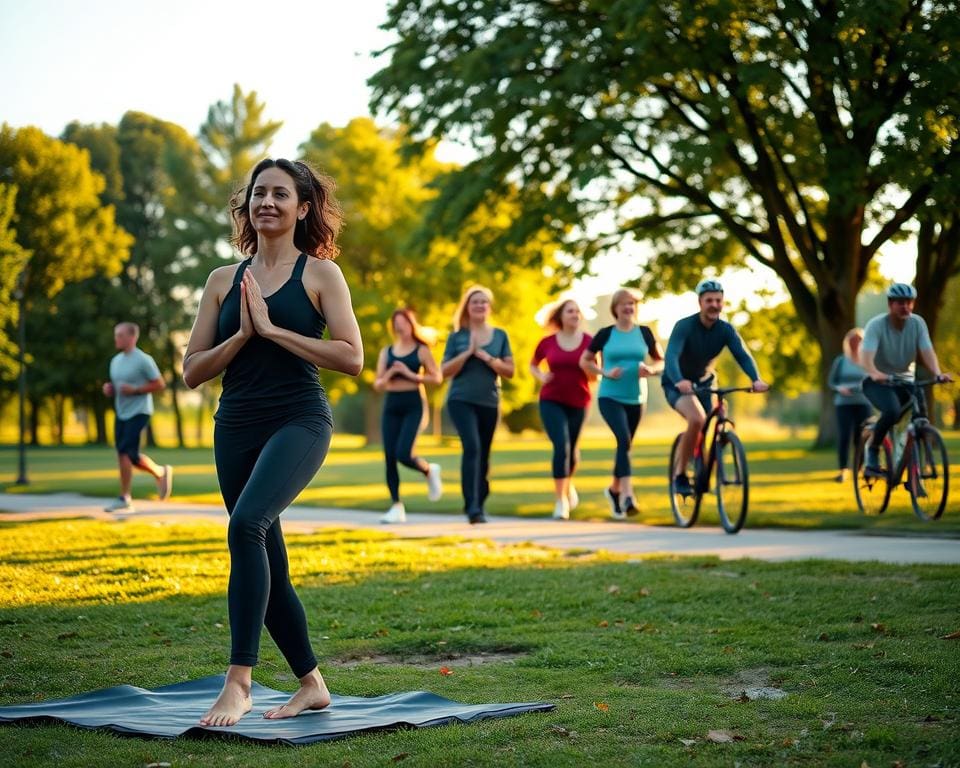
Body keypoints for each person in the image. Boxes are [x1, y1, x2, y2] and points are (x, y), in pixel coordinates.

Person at [182, 158, 363, 728]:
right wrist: (242, 335)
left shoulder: (321, 275)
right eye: (259, 193)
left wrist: (274, 330)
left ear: (302, 208)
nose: (267, 202)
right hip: (236, 424)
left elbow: (352, 357)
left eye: (280, 194)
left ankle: (239, 682)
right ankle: (313, 684)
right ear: (247, 205)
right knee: (268, 560)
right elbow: (192, 370)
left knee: (245, 526)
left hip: (299, 419)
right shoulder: (222, 280)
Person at [662, 278, 769, 497]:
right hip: (678, 383)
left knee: (715, 423)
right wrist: (679, 380)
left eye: (718, 301)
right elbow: (671, 356)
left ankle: (706, 469)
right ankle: (680, 475)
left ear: (723, 303)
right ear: (700, 302)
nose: (714, 305)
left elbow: (743, 355)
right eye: (709, 300)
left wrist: (755, 379)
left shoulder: (726, 330)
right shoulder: (685, 326)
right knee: (697, 419)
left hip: (706, 383)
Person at [580, 288, 663, 519]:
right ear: (615, 308)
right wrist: (604, 372)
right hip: (609, 397)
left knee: (624, 445)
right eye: (624, 304)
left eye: (632, 304)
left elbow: (661, 361)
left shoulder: (645, 333)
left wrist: (651, 370)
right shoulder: (606, 334)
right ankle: (628, 495)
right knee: (623, 439)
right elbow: (585, 361)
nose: (628, 307)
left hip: (637, 398)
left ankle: (613, 490)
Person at [859, 283, 953, 475]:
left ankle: (914, 472)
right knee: (892, 412)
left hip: (904, 381)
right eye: (900, 302)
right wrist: (875, 373)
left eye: (909, 302)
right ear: (890, 304)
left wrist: (937, 373)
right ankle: (873, 450)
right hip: (877, 382)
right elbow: (866, 355)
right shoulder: (876, 325)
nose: (906, 306)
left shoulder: (917, 323)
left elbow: (927, 350)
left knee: (921, 418)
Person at [441, 285, 514, 524]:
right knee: (472, 447)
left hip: (489, 401)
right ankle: (472, 507)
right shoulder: (456, 337)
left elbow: (510, 371)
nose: (480, 305)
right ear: (467, 308)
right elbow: (444, 371)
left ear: (489, 307)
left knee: (483, 453)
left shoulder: (500, 335)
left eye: (484, 302)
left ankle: (479, 501)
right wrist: (467, 353)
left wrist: (488, 358)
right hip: (460, 400)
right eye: (475, 302)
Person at [373, 308, 443, 524]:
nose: (400, 327)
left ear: (411, 325)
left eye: (404, 322)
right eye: (396, 323)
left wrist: (410, 374)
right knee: (389, 457)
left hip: (413, 404)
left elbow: (437, 377)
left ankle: (428, 470)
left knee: (403, 453)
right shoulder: (387, 352)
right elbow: (378, 384)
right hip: (391, 405)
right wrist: (391, 373)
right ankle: (396, 506)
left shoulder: (422, 350)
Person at [530, 298, 593, 520]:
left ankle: (568, 483)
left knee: (572, 450)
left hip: (579, 400)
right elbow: (533, 364)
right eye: (570, 311)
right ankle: (561, 501)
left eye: (577, 311)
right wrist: (541, 376)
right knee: (562, 446)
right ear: (560, 317)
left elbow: (595, 375)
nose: (575, 315)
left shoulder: (589, 341)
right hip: (551, 399)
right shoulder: (547, 342)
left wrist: (590, 370)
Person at [102, 322, 172, 513]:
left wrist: (136, 390)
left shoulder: (143, 360)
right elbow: (117, 387)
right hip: (121, 412)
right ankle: (160, 472)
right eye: (116, 335)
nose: (116, 338)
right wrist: (110, 389)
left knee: (125, 452)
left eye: (120, 335)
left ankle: (124, 497)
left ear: (132, 337)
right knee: (126, 455)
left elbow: (159, 384)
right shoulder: (115, 361)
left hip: (140, 411)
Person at [828, 328, 872, 482]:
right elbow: (831, 382)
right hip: (843, 403)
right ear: (848, 343)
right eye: (852, 342)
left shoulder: (867, 361)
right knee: (844, 436)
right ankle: (842, 470)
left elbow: (873, 378)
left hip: (863, 402)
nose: (855, 344)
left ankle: (860, 468)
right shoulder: (841, 361)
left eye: (858, 341)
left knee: (862, 436)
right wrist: (840, 388)